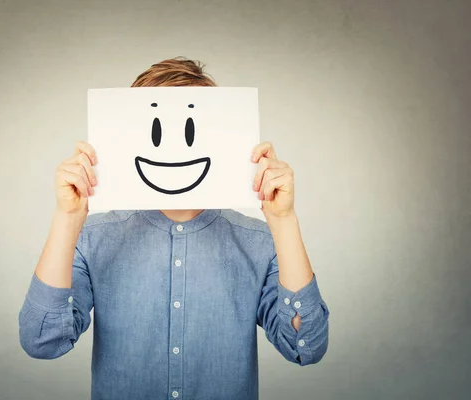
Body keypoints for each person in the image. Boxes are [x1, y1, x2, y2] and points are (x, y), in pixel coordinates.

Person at [18, 57, 330, 400]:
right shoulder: (93, 238)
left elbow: (305, 345)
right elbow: (41, 341)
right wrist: (67, 217)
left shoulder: (259, 241)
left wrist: (284, 221)